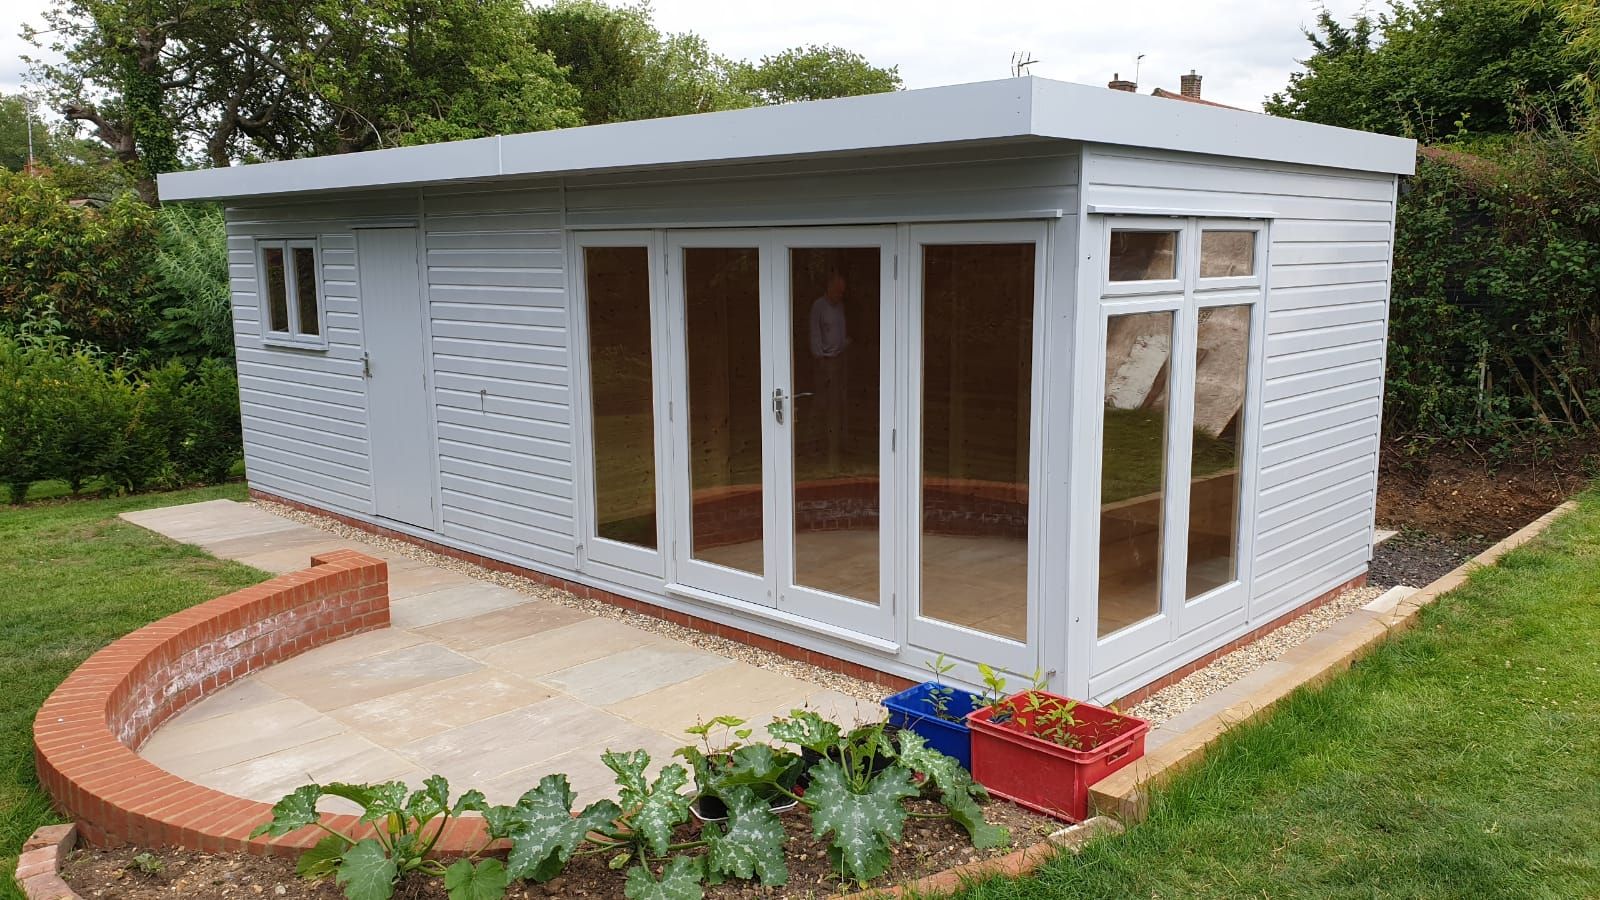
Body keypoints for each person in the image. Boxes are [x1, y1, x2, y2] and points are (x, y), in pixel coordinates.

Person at [809, 269, 849, 468]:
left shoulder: (839, 306)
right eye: (837, 291)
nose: (840, 296)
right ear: (829, 288)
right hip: (826, 362)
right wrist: (820, 361)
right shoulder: (819, 306)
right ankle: (819, 449)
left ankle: (838, 446)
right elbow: (815, 334)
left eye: (842, 292)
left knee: (839, 403)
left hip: (841, 359)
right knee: (825, 404)